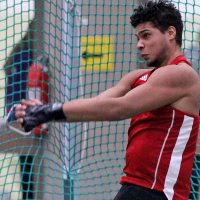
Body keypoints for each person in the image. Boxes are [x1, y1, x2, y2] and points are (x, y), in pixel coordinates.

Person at [14, 1, 200, 200]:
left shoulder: (182, 74)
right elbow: (98, 104)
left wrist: (49, 111)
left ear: (171, 33)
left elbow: (119, 108)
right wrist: (43, 111)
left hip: (159, 192)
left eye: (146, 35)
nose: (139, 44)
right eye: (138, 37)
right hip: (134, 186)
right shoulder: (137, 77)